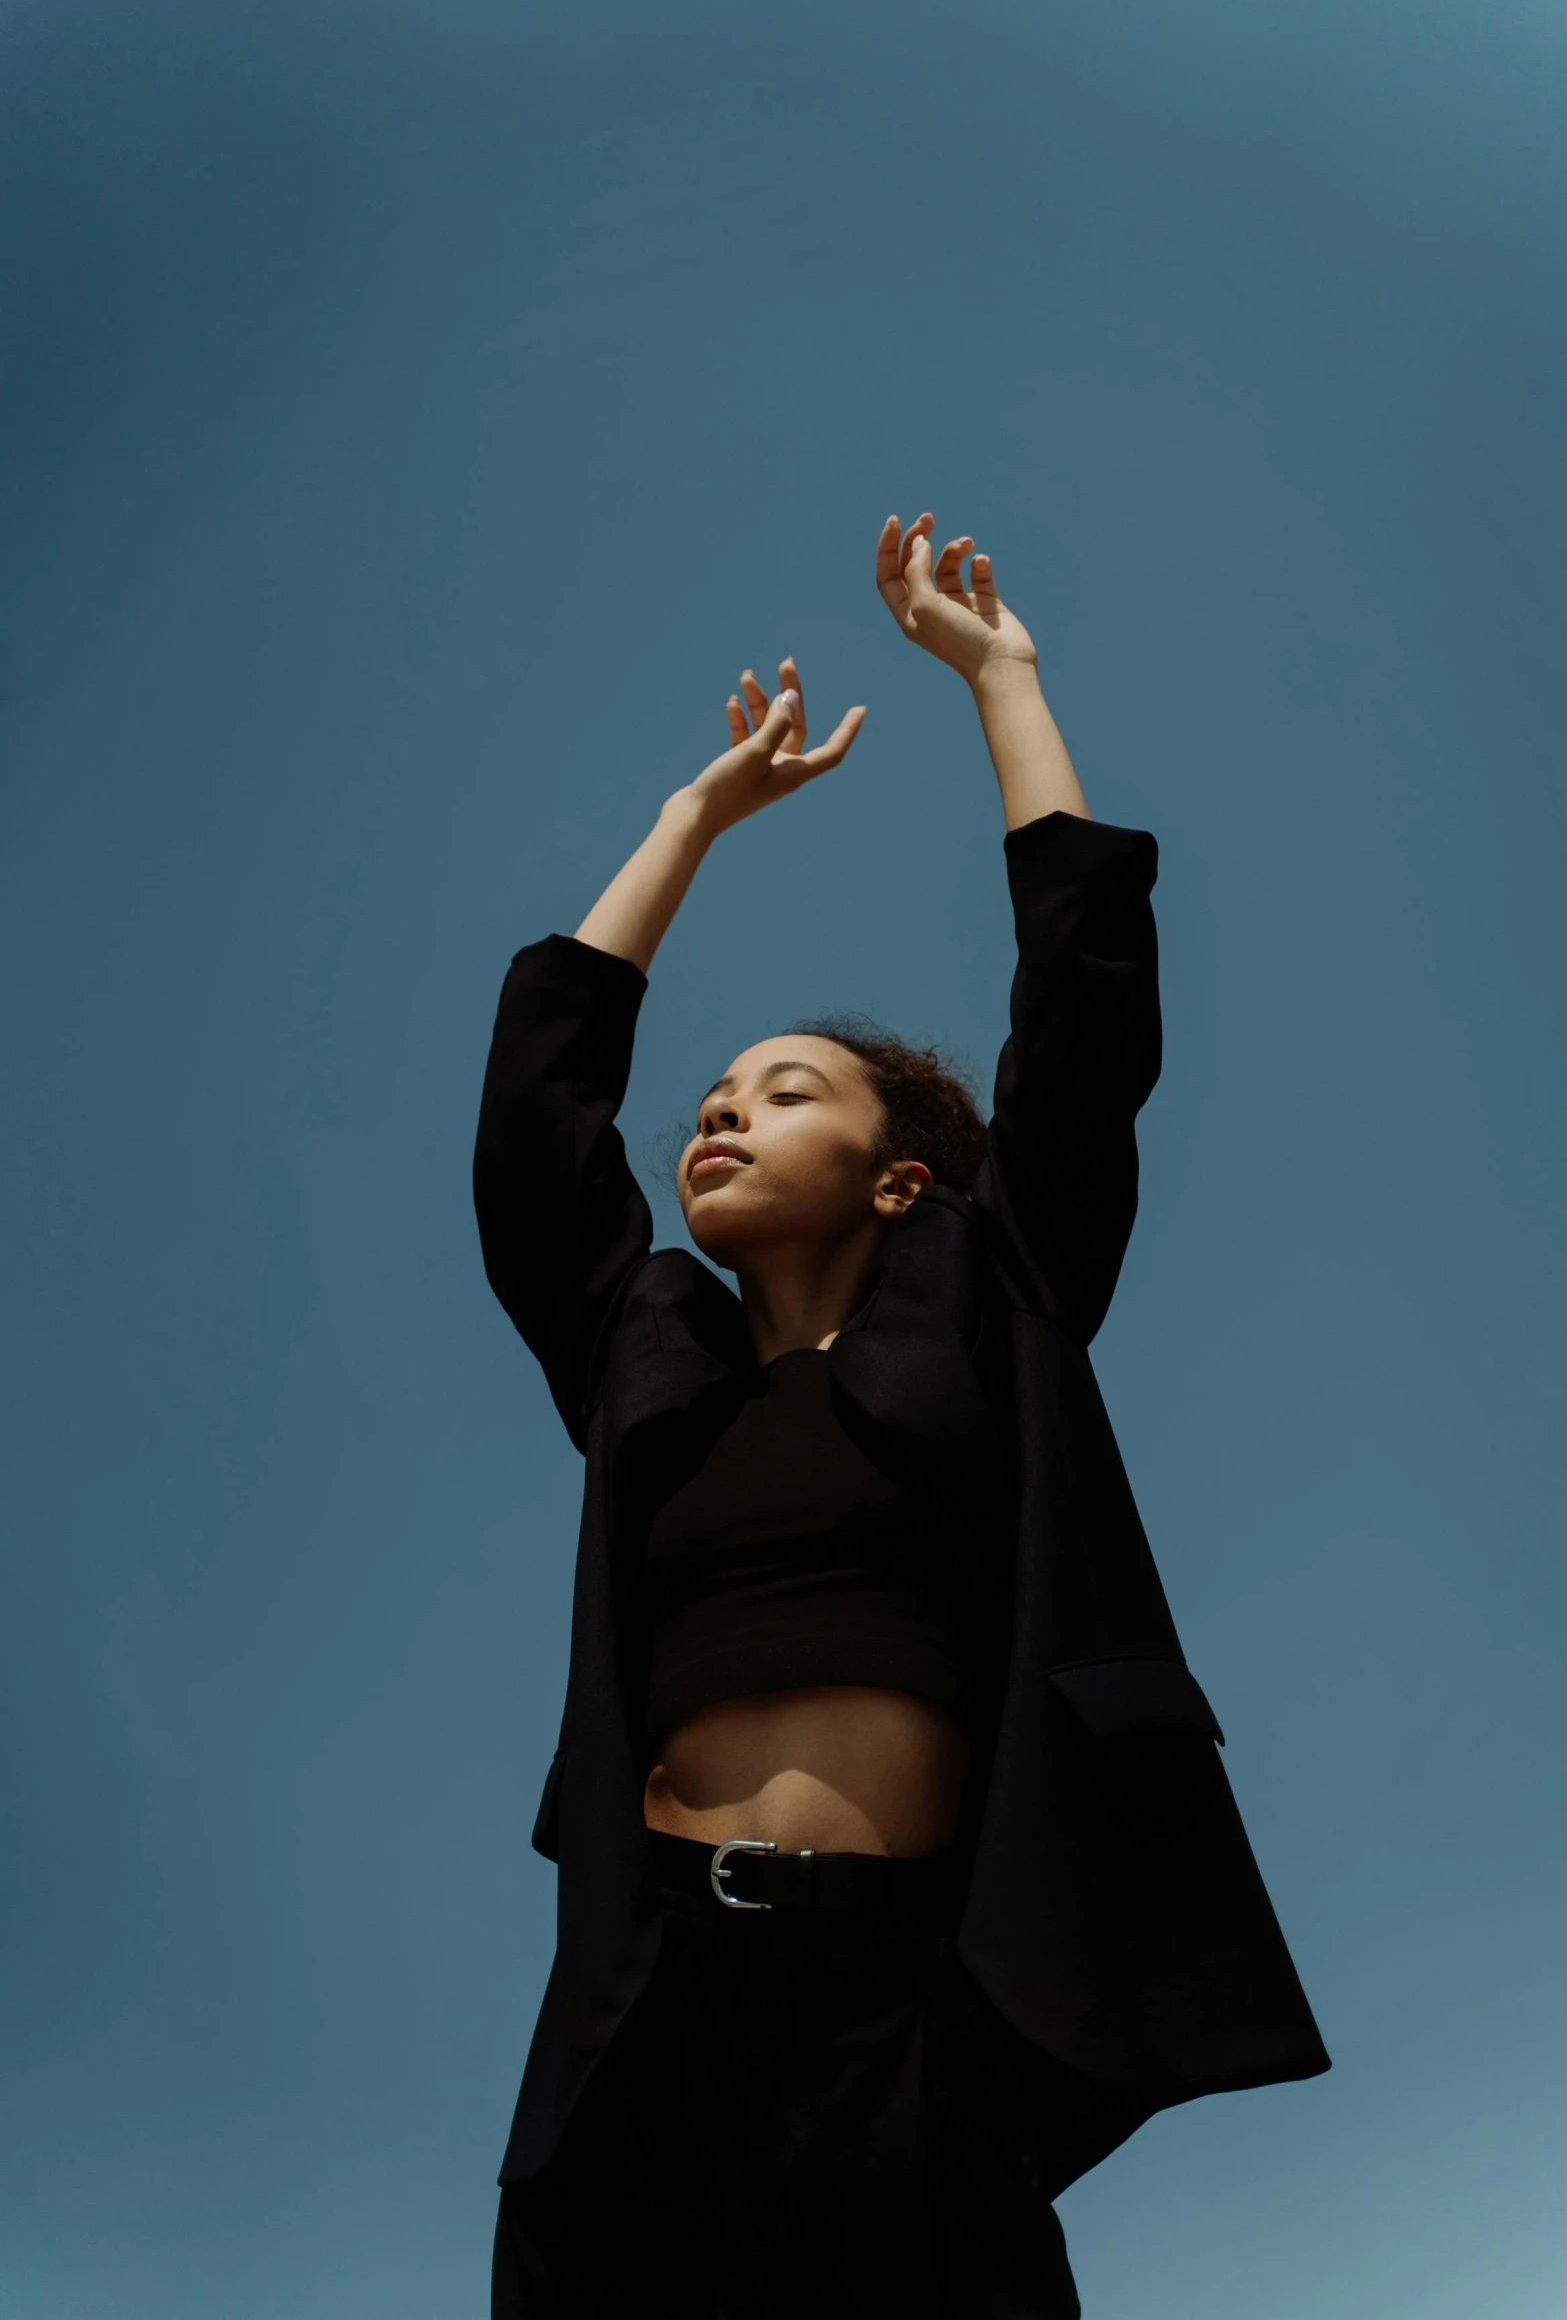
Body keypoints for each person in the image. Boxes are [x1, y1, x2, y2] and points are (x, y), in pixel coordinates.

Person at [475, 512, 1329, 2319]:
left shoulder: (995, 1295)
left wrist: (1000, 677)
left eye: (783, 1092)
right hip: (651, 2016)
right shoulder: (649, 1356)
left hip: (916, 2002)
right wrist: (687, 825)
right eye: (708, 1095)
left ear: (900, 1178)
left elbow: (1084, 1018)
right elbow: (539, 1124)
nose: (716, 1113)